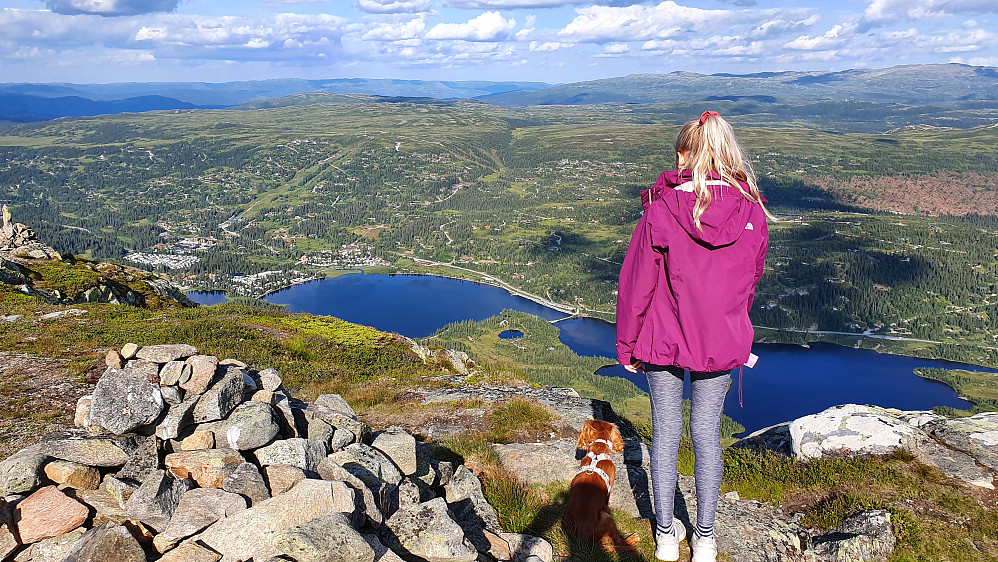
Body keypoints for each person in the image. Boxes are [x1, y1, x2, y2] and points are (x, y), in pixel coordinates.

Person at [615, 111, 772, 562]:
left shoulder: (661, 210)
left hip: (662, 338)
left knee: (665, 432)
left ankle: (666, 536)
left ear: (685, 155)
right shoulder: (752, 213)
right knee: (706, 433)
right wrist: (733, 327)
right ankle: (704, 538)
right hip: (721, 342)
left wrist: (627, 345)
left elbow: (636, 283)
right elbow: (750, 280)